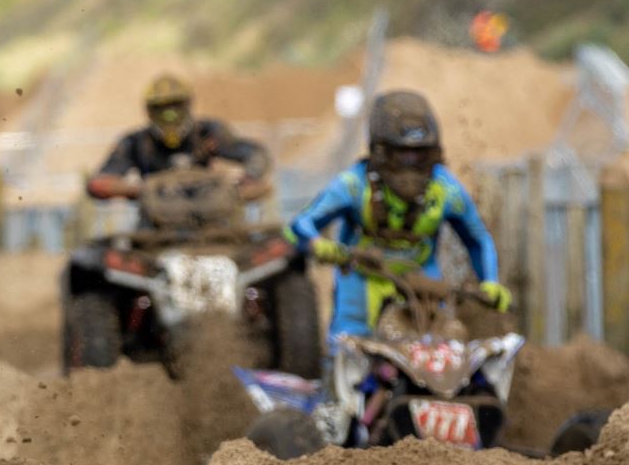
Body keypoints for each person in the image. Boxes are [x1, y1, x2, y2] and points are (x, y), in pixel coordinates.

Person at [284, 89, 510, 342]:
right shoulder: (354, 185)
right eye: (402, 154)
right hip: (363, 280)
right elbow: (298, 226)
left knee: (442, 343)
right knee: (349, 344)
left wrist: (490, 281)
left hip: (423, 282)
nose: (411, 163)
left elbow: (477, 238)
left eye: (419, 154)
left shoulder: (446, 190)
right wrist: (318, 245)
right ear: (380, 152)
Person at [86, 75, 270, 201]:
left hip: (212, 218)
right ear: (150, 111)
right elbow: (99, 183)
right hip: (155, 225)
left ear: (187, 105)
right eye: (161, 109)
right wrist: (138, 190)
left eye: (175, 108)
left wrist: (246, 181)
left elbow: (256, 154)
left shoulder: (207, 133)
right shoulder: (136, 142)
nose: (169, 117)